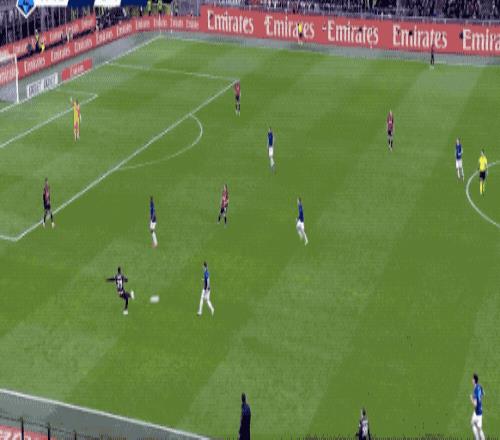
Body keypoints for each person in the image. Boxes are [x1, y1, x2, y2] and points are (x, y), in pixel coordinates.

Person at [470, 373, 485, 440]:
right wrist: (479, 401)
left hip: (477, 412)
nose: (471, 380)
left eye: (472, 379)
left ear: (474, 380)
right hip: (480, 410)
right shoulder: (480, 386)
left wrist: (471, 399)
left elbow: (475, 404)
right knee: (479, 428)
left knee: (473, 423)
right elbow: (483, 394)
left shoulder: (475, 390)